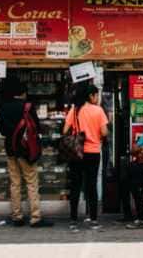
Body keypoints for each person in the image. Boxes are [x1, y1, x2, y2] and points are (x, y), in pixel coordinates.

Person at [0, 77, 51, 227]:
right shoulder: (27, 107)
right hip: (26, 150)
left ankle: (17, 216)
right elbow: (36, 128)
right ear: (22, 93)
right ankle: (35, 217)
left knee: (15, 183)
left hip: (11, 149)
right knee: (31, 182)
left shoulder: (4, 107)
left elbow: (2, 130)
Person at [63, 83, 108, 227]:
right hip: (93, 152)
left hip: (77, 152)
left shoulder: (74, 110)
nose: (97, 98)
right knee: (91, 185)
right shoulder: (98, 110)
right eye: (96, 95)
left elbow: (65, 130)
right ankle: (93, 219)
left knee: (75, 185)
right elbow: (104, 132)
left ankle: (73, 220)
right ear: (91, 96)